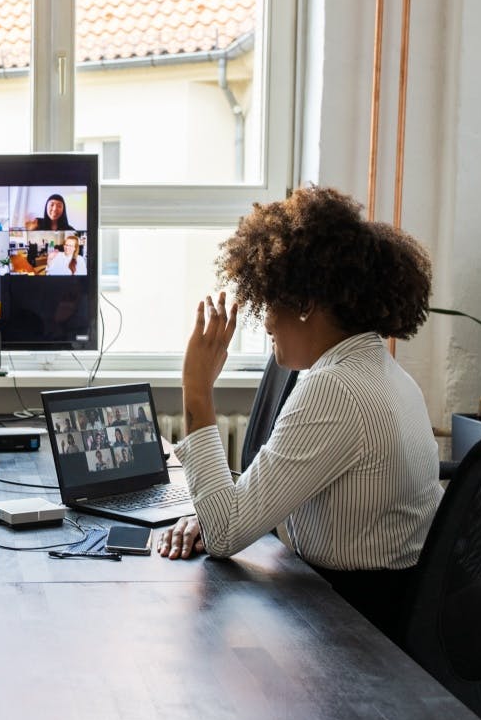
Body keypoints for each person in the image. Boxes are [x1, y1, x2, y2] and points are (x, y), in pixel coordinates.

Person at [154, 185, 441, 640]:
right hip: (369, 604)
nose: (265, 322)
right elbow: (243, 512)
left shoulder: (335, 390)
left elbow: (226, 533)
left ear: (305, 304)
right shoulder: (378, 369)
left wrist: (196, 392)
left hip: (348, 628)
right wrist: (215, 512)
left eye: (270, 302)